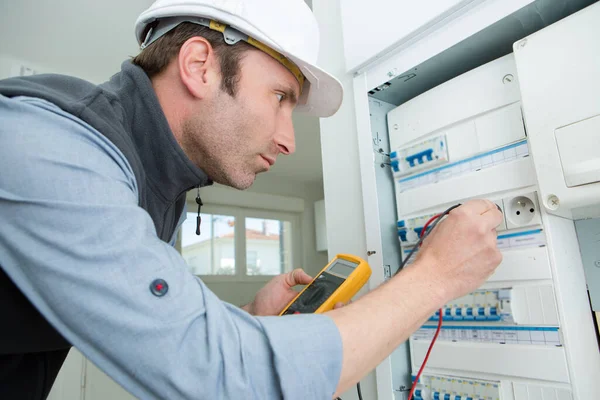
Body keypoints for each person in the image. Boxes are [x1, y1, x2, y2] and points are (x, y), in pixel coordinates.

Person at [0, 0, 503, 399]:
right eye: (281, 97)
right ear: (200, 66)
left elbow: (161, 340)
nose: (289, 141)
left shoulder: (156, 184)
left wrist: (249, 317)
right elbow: (214, 375)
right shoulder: (52, 144)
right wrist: (436, 276)